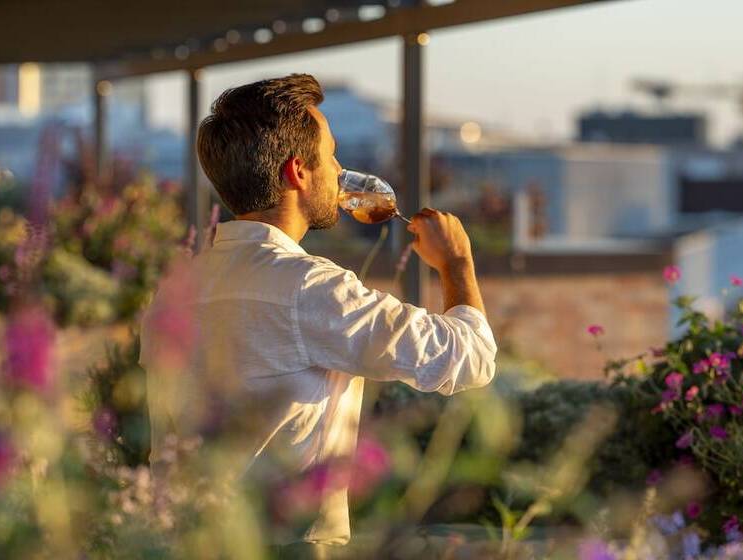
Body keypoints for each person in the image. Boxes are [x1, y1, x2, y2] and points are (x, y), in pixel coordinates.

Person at [138, 74, 496, 554]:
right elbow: (468, 358)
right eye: (331, 155)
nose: (340, 169)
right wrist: (456, 264)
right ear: (298, 172)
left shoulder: (175, 290)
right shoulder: (310, 288)